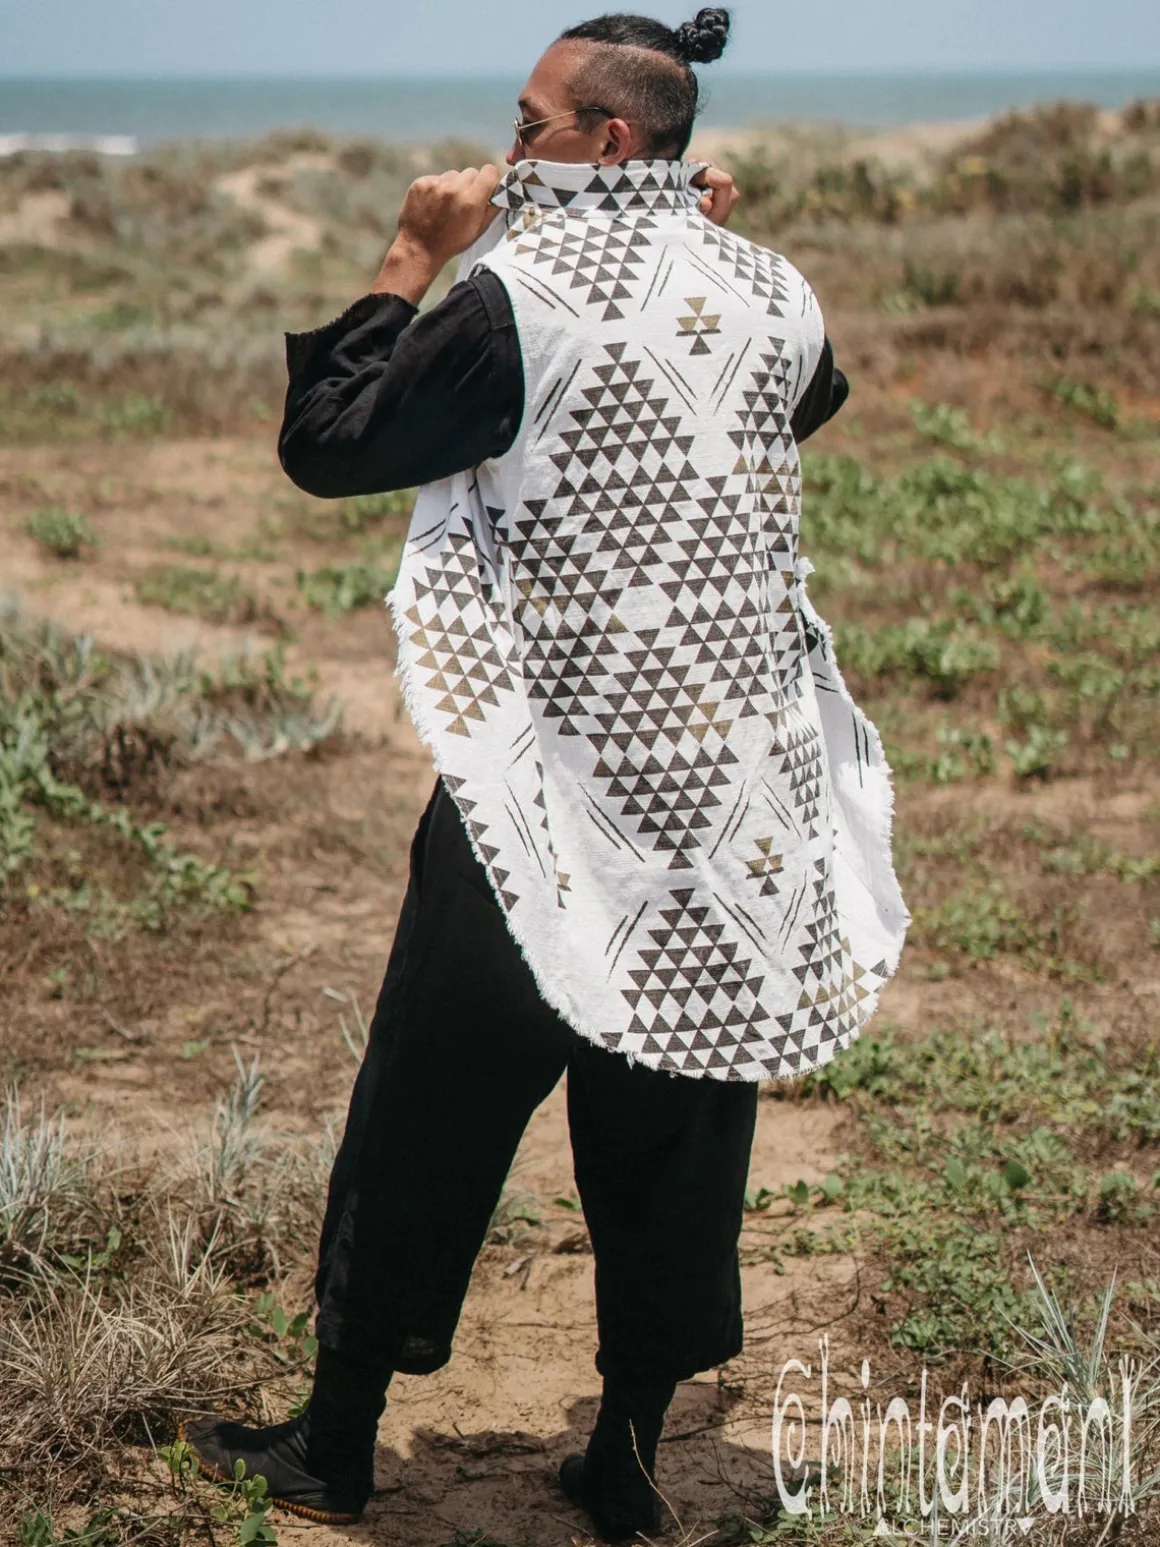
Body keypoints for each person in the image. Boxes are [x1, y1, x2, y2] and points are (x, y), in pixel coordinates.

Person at [181, 8, 908, 1541]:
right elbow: (802, 399)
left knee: (427, 1108)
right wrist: (701, 259)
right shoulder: (771, 285)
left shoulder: (514, 297)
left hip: (542, 794)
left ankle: (334, 1445)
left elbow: (330, 442)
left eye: (528, 124)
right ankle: (627, 1460)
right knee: (676, 1121)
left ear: (610, 140)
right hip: (717, 801)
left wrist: (408, 253)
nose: (505, 148)